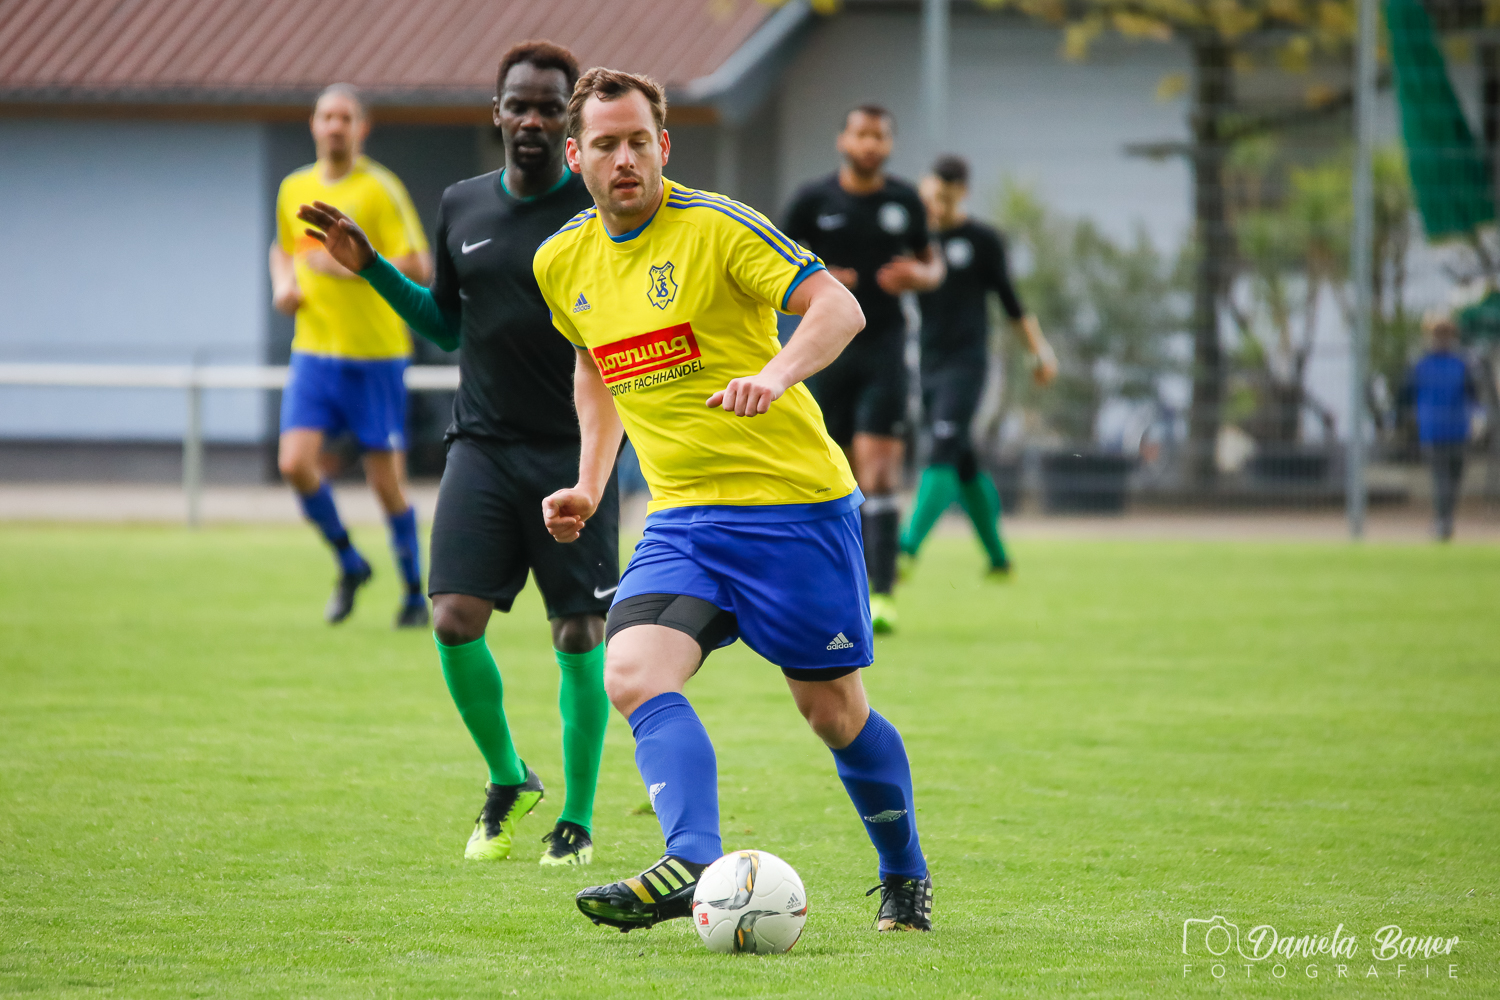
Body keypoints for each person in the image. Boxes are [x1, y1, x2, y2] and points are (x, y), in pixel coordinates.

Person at [534, 68, 933, 933]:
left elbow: (840, 307)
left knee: (833, 713)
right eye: (605, 144)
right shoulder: (560, 259)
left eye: (638, 141)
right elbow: (594, 366)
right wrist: (591, 483)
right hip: (682, 519)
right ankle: (690, 859)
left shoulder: (716, 227)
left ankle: (905, 873)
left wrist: (776, 373)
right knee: (631, 671)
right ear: (575, 156)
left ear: (663, 145)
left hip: (795, 510)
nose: (624, 158)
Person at [294, 43, 616, 866]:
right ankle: (508, 777)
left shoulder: (596, 211)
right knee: (452, 619)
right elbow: (445, 326)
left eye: (550, 107)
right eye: (520, 105)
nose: (533, 120)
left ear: (570, 121)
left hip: (575, 449)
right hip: (481, 446)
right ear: (496, 113)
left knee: (580, 631)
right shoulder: (461, 204)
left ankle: (576, 819)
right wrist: (371, 269)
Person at [270, 84, 433, 628]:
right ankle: (350, 562)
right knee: (294, 464)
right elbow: (283, 249)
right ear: (313, 125)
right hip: (313, 353)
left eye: (345, 117)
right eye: (327, 116)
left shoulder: (380, 189)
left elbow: (419, 266)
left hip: (376, 357)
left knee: (386, 485)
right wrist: (283, 285)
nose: (335, 125)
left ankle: (413, 593)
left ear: (362, 128)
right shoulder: (294, 187)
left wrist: (354, 266)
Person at [782, 106, 945, 634]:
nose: (870, 144)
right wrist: (817, 278)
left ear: (889, 144)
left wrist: (920, 275)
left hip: (885, 348)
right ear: (843, 140)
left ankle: (883, 594)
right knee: (835, 473)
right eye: (861, 134)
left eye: (879, 135)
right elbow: (774, 265)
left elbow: (934, 264)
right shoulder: (813, 200)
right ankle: (838, 587)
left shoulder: (904, 201)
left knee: (879, 472)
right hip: (826, 351)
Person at [902, 155, 1057, 573]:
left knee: (942, 448)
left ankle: (905, 549)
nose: (937, 205)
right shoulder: (916, 242)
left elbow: (1012, 303)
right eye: (931, 197)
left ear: (962, 194)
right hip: (927, 365)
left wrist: (1039, 353)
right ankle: (999, 559)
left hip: (967, 365)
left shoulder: (983, 240)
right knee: (963, 459)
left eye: (945, 198)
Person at [1401, 314, 1479, 540]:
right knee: (1443, 479)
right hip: (1437, 430)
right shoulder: (1423, 365)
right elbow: (1406, 395)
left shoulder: (1459, 364)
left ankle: (1444, 519)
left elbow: (1472, 395)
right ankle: (1444, 521)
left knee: (1451, 479)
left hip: (1454, 429)